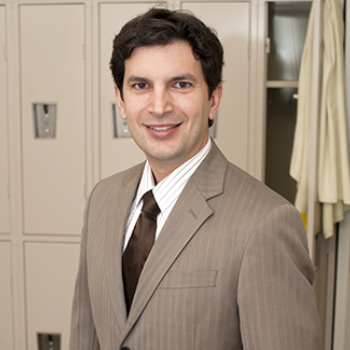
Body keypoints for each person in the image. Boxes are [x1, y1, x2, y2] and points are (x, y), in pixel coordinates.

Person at [70, 7, 320, 350]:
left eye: (181, 84)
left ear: (213, 99)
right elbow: (87, 333)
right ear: (121, 101)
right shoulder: (103, 199)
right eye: (141, 85)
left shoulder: (266, 223)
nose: (159, 106)